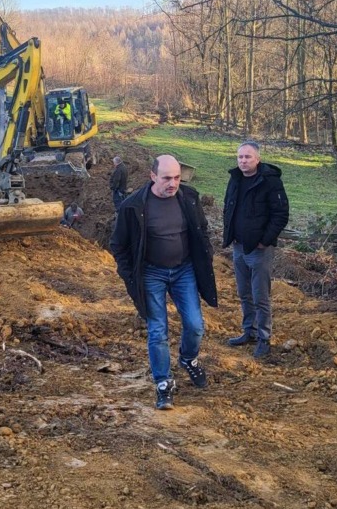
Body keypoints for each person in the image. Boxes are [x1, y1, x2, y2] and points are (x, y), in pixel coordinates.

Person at [110, 154, 218, 410]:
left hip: (184, 271)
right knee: (158, 331)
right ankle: (163, 383)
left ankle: (188, 359)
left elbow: (202, 230)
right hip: (151, 274)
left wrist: (206, 255)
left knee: (195, 325)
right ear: (153, 176)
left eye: (177, 177)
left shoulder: (189, 198)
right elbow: (118, 245)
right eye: (167, 178)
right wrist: (130, 275)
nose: (173, 183)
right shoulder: (133, 206)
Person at [222, 141, 289, 359]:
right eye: (240, 157)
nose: (243, 161)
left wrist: (265, 240)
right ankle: (248, 331)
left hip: (259, 249)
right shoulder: (235, 179)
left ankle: (264, 338)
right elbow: (228, 207)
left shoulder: (270, 182)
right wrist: (230, 235)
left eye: (248, 157)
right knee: (244, 293)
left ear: (257, 159)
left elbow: (280, 215)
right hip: (239, 246)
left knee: (261, 296)